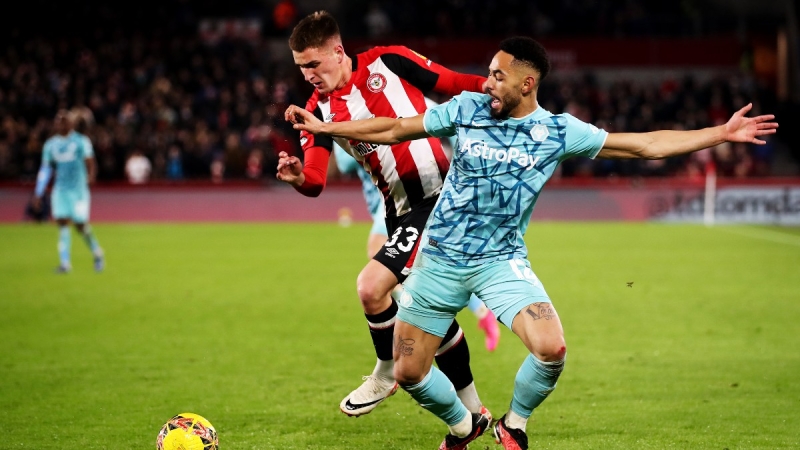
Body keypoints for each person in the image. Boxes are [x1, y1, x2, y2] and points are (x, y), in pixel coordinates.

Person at [285, 36, 778, 449]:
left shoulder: (558, 131)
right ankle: (465, 425)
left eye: (497, 76)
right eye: (488, 73)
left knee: (552, 348)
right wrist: (325, 127)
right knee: (409, 374)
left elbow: (645, 145)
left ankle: (514, 425)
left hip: (501, 262)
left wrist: (721, 133)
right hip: (438, 259)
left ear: (527, 83)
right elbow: (394, 128)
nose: (486, 83)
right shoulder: (468, 109)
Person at [276, 10, 493, 420]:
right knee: (427, 310)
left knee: (371, 288)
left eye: (313, 64)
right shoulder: (316, 110)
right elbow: (316, 181)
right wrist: (297, 176)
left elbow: (450, 82)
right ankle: (473, 413)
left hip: (441, 198)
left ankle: (387, 369)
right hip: (400, 212)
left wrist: (493, 88)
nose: (307, 75)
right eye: (301, 67)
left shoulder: (387, 61)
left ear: (337, 52)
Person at [334, 142, 501, 351]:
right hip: (390, 200)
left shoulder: (360, 126)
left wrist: (342, 135)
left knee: (378, 259)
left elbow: (345, 164)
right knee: (431, 267)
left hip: (398, 197)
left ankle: (417, 310)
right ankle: (481, 311)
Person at [32, 109, 105, 273]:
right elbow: (45, 169)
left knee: (80, 224)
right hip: (61, 190)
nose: (62, 124)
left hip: (79, 190)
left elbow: (90, 161)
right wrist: (39, 191)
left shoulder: (81, 141)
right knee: (62, 222)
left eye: (65, 121)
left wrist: (91, 176)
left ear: (71, 124)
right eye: (59, 121)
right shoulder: (51, 145)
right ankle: (65, 263)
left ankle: (97, 252)